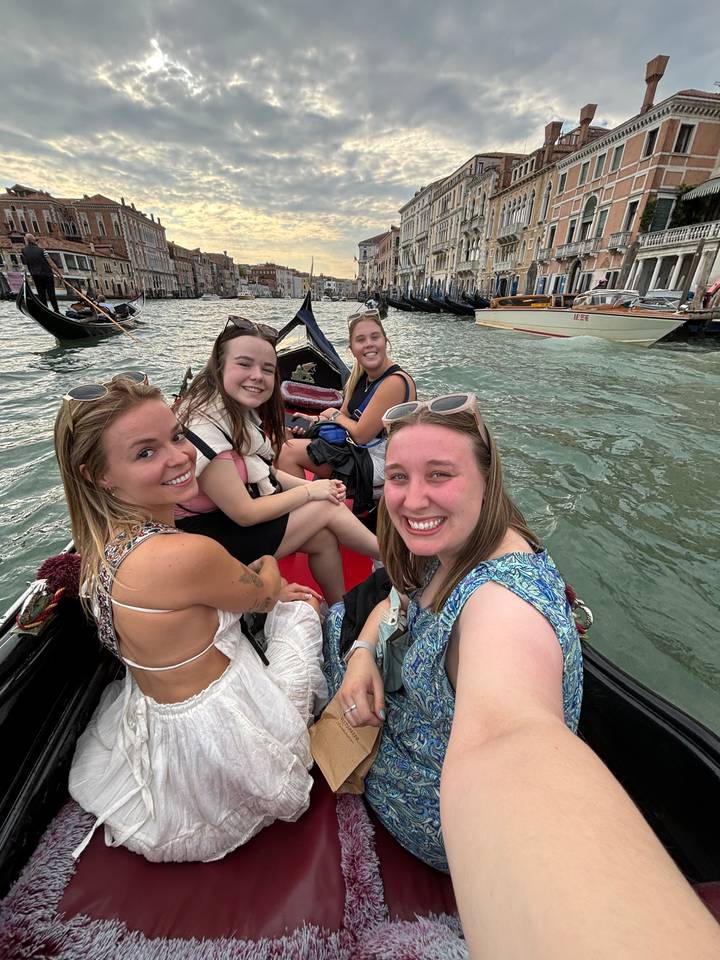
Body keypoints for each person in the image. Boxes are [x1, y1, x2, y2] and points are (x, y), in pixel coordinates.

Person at [326, 394, 720, 958]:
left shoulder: (500, 609)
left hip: (439, 820)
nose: (413, 499)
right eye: (397, 476)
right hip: (398, 714)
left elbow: (509, 739)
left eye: (440, 475)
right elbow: (399, 599)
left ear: (487, 481)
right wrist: (364, 651)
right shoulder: (458, 541)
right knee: (342, 624)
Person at [54, 374, 328, 863]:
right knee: (301, 610)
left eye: (177, 436)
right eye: (145, 452)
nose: (180, 457)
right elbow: (263, 595)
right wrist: (265, 568)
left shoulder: (100, 546)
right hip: (225, 743)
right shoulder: (186, 554)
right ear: (98, 475)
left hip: (162, 719)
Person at [176, 316, 380, 604]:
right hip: (205, 539)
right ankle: (394, 558)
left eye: (267, 369)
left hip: (224, 522)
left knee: (322, 536)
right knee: (324, 508)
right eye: (244, 364)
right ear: (219, 367)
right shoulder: (204, 426)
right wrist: (311, 491)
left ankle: (339, 610)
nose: (257, 375)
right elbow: (244, 512)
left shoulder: (233, 410)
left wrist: (319, 487)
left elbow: (265, 473)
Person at [277, 307, 416, 512]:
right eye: (360, 340)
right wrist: (315, 421)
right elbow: (344, 416)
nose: (368, 344)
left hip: (381, 463)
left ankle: (310, 517)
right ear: (352, 349)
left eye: (374, 337)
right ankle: (315, 506)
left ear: (385, 342)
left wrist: (331, 415)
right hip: (360, 451)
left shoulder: (395, 382)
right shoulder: (360, 376)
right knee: (285, 434)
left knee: (287, 453)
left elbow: (360, 435)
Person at [20, 233, 60, 312]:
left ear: (27, 241)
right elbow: (51, 263)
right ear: (34, 241)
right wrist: (59, 273)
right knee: (51, 293)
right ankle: (56, 311)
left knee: (41, 294)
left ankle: (45, 310)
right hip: (47, 274)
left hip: (35, 275)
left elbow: (25, 262)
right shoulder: (42, 250)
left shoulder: (23, 251)